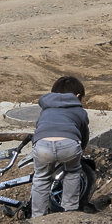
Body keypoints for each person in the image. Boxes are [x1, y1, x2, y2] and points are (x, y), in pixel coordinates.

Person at [30, 75, 90, 216]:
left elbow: (39, 129)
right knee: (73, 171)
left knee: (41, 178)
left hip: (43, 145)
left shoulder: (45, 110)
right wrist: (81, 150)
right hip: (69, 144)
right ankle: (70, 211)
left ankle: (38, 217)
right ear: (77, 95)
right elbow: (84, 134)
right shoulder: (79, 111)